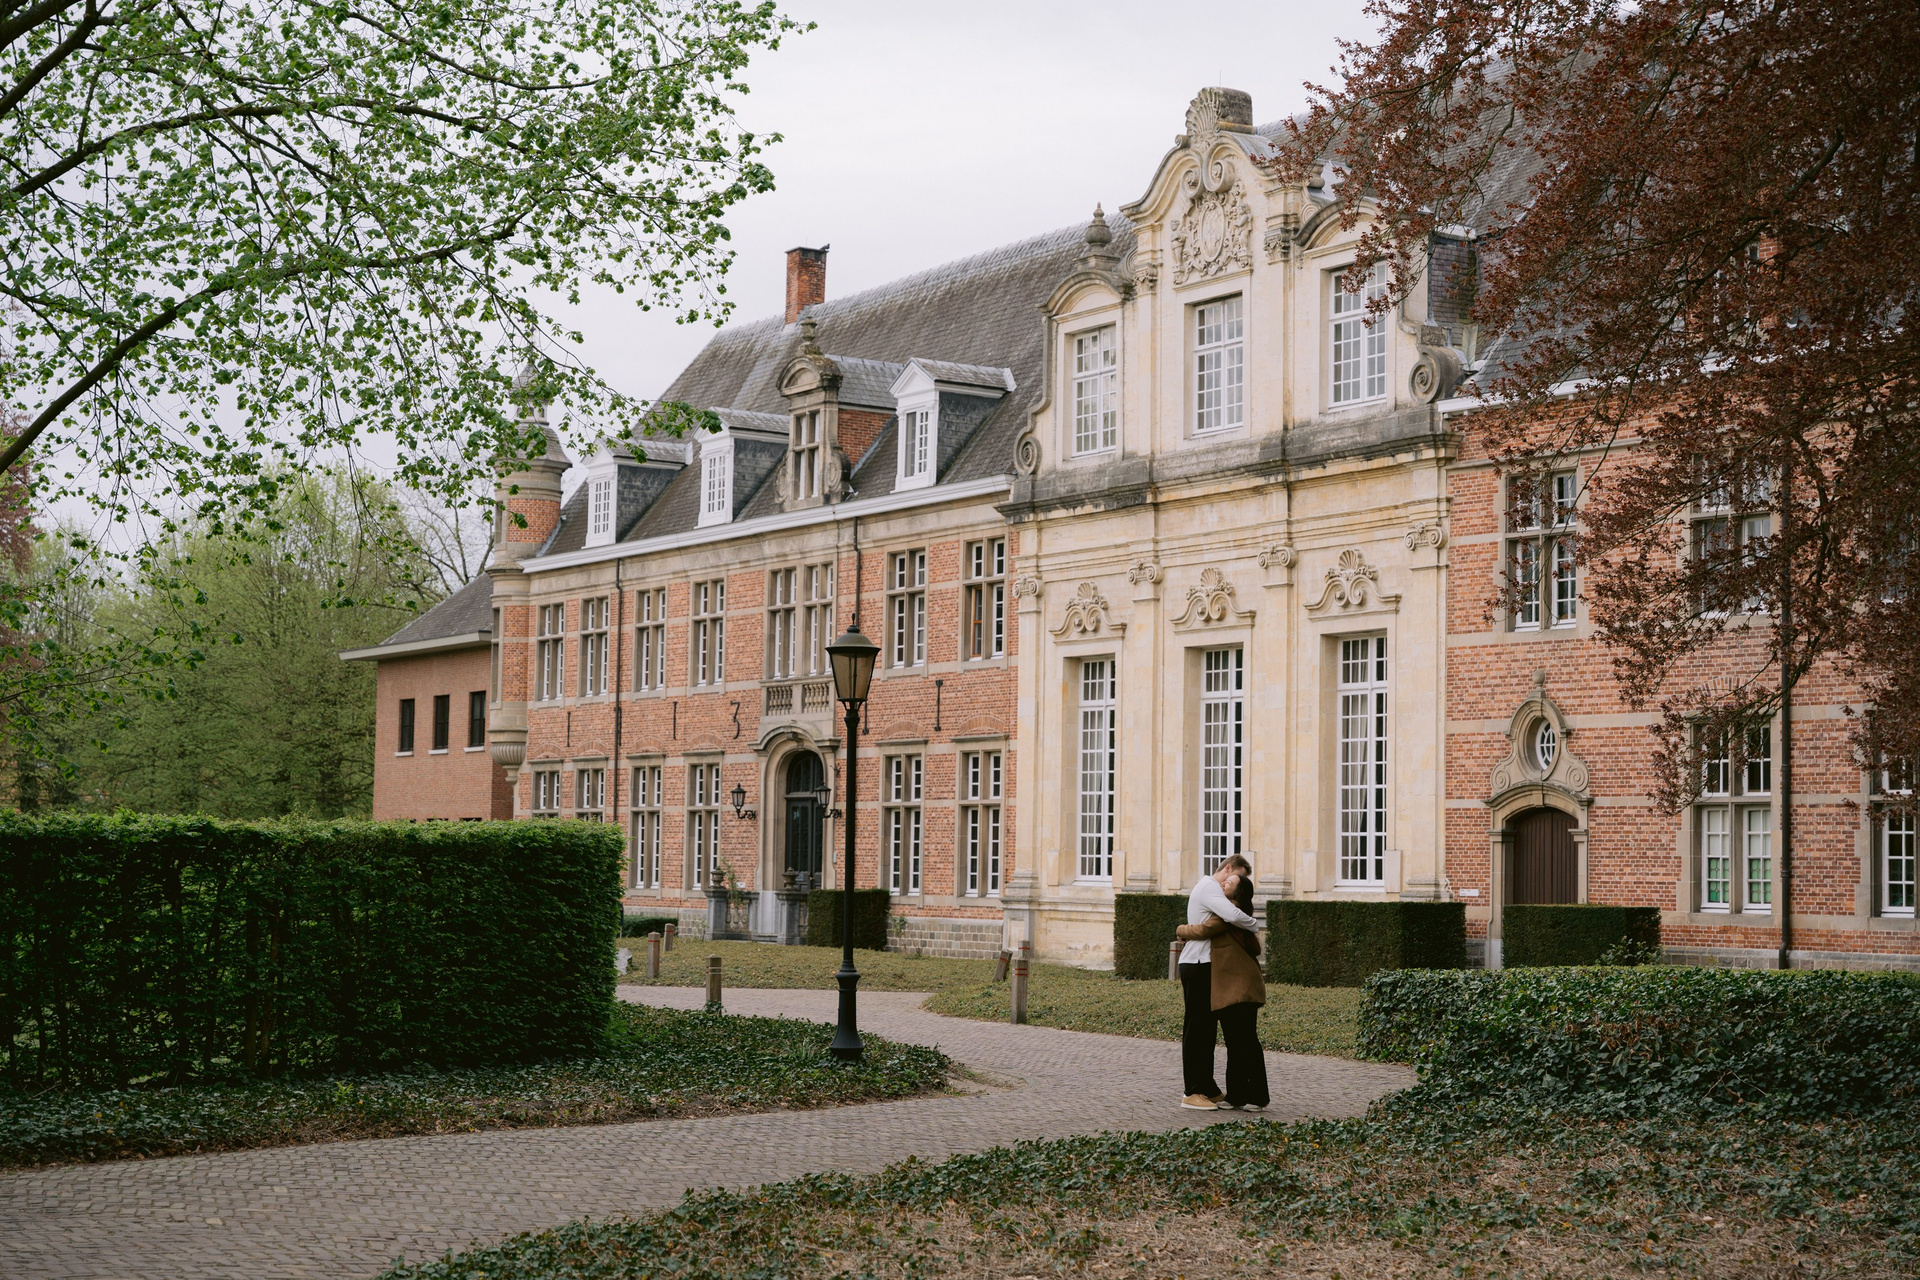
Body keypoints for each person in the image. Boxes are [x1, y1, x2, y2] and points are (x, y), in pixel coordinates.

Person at [1176, 871, 1269, 1111]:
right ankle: (1236, 1095)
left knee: (1245, 1041)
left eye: (1230, 883)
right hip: (1230, 985)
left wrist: (1181, 929)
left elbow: (1204, 930)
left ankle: (1257, 1096)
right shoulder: (1225, 909)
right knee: (1235, 1041)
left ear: (1237, 893)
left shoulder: (1229, 912)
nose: (1224, 883)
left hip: (1242, 985)